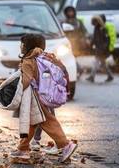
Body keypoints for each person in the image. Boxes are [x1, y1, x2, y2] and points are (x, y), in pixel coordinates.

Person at [11, 34, 77, 162]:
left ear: (28, 46)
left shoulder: (28, 60)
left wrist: (14, 89)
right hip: (44, 94)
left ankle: (65, 145)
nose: (20, 46)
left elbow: (26, 80)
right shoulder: (45, 56)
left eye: (22, 44)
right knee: (32, 122)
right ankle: (23, 148)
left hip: (35, 97)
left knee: (47, 121)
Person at [86, 16, 114, 83]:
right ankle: (110, 76)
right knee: (103, 64)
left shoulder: (103, 29)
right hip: (98, 49)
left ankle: (92, 77)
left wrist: (104, 48)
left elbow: (107, 40)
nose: (94, 24)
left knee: (96, 62)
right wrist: (91, 44)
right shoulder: (96, 28)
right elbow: (94, 38)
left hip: (102, 50)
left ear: (98, 21)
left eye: (95, 22)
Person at [63, 6, 88, 79]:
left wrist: (85, 39)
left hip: (76, 43)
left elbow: (84, 31)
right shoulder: (63, 22)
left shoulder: (78, 21)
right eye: (68, 11)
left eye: (71, 11)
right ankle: (78, 70)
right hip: (66, 43)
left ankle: (79, 70)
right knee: (69, 57)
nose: (70, 13)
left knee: (72, 57)